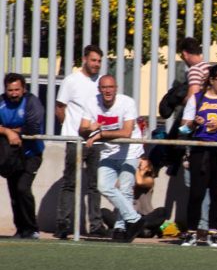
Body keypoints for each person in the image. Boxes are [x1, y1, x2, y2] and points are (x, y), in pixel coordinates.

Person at [179, 64, 217, 247]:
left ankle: (213, 233)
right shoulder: (197, 99)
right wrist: (194, 123)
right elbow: (183, 128)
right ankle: (191, 233)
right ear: (211, 80)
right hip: (201, 149)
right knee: (196, 193)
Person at [78, 75, 146, 243]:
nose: (107, 91)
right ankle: (135, 219)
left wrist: (100, 134)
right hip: (108, 152)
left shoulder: (127, 102)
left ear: (116, 88)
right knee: (104, 186)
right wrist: (90, 130)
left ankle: (120, 229)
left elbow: (126, 132)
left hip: (129, 151)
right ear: (99, 89)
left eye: (110, 87)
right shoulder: (92, 103)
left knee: (125, 190)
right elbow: (82, 130)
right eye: (103, 88)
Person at [55, 44, 106, 239]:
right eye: (93, 60)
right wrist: (70, 129)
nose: (96, 64)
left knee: (95, 184)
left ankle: (95, 225)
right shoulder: (71, 80)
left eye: (99, 61)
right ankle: (63, 224)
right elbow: (60, 107)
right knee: (70, 182)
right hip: (75, 140)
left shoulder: (102, 82)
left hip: (96, 141)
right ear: (85, 59)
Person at [0, 73, 45, 239]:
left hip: (31, 154)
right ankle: (21, 229)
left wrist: (11, 131)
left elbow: (33, 127)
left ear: (23, 89)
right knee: (14, 193)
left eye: (17, 89)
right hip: (10, 156)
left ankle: (32, 228)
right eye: (10, 90)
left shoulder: (32, 102)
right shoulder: (1, 102)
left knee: (22, 188)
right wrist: (7, 131)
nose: (13, 93)